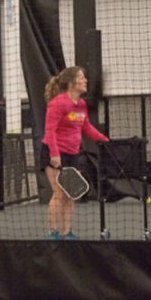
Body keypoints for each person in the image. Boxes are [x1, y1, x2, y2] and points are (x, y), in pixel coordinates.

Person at [41, 66, 109, 240]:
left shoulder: (81, 105)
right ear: (71, 83)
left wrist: (105, 140)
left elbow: (86, 127)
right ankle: (53, 233)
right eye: (81, 77)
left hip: (73, 154)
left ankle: (67, 232)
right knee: (59, 193)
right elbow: (50, 130)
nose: (85, 80)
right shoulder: (58, 103)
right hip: (54, 153)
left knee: (71, 194)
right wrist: (55, 155)